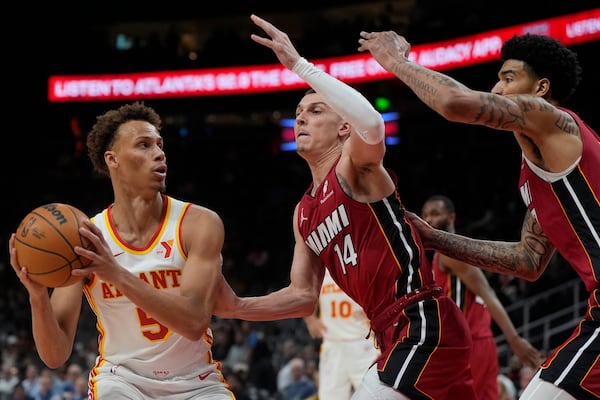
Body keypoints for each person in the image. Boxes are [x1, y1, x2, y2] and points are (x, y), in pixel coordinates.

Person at [215, 14, 477, 399]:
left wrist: (300, 67)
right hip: (389, 334)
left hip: (421, 322)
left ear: (342, 127)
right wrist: (235, 306)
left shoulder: (354, 165)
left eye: (316, 110)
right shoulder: (302, 212)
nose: (302, 116)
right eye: (299, 113)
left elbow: (370, 123)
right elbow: (303, 296)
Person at [358, 29, 600, 400]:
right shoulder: (541, 169)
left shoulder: (554, 119)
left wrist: (395, 62)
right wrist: (434, 238)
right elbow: (528, 260)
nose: (497, 89)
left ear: (541, 89)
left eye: (508, 78)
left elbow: (456, 102)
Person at [8, 102, 235, 399]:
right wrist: (38, 296)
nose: (159, 152)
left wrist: (114, 273)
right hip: (122, 380)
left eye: (159, 144)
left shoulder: (198, 224)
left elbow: (193, 323)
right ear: (112, 159)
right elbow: (55, 355)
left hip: (196, 381)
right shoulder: (85, 238)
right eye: (143, 145)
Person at [421, 194, 543, 399]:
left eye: (435, 214)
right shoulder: (447, 253)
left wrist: (513, 339)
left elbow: (488, 294)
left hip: (468, 344)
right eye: (425, 215)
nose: (428, 220)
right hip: (481, 342)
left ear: (451, 218)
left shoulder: (450, 255)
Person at [302, 268, 380, 400]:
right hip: (332, 343)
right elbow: (306, 292)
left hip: (363, 343)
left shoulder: (360, 264)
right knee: (329, 397)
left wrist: (373, 311)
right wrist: (310, 319)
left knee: (375, 395)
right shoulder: (321, 268)